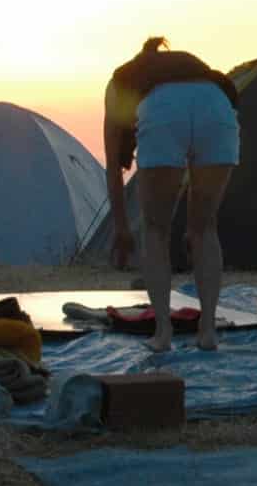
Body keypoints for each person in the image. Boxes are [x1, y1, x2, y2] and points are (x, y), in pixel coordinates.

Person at [103, 37, 241, 353]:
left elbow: (113, 166)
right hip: (217, 108)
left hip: (163, 112)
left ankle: (163, 333)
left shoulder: (120, 83)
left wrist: (122, 229)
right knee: (205, 229)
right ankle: (207, 332)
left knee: (155, 229)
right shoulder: (187, 66)